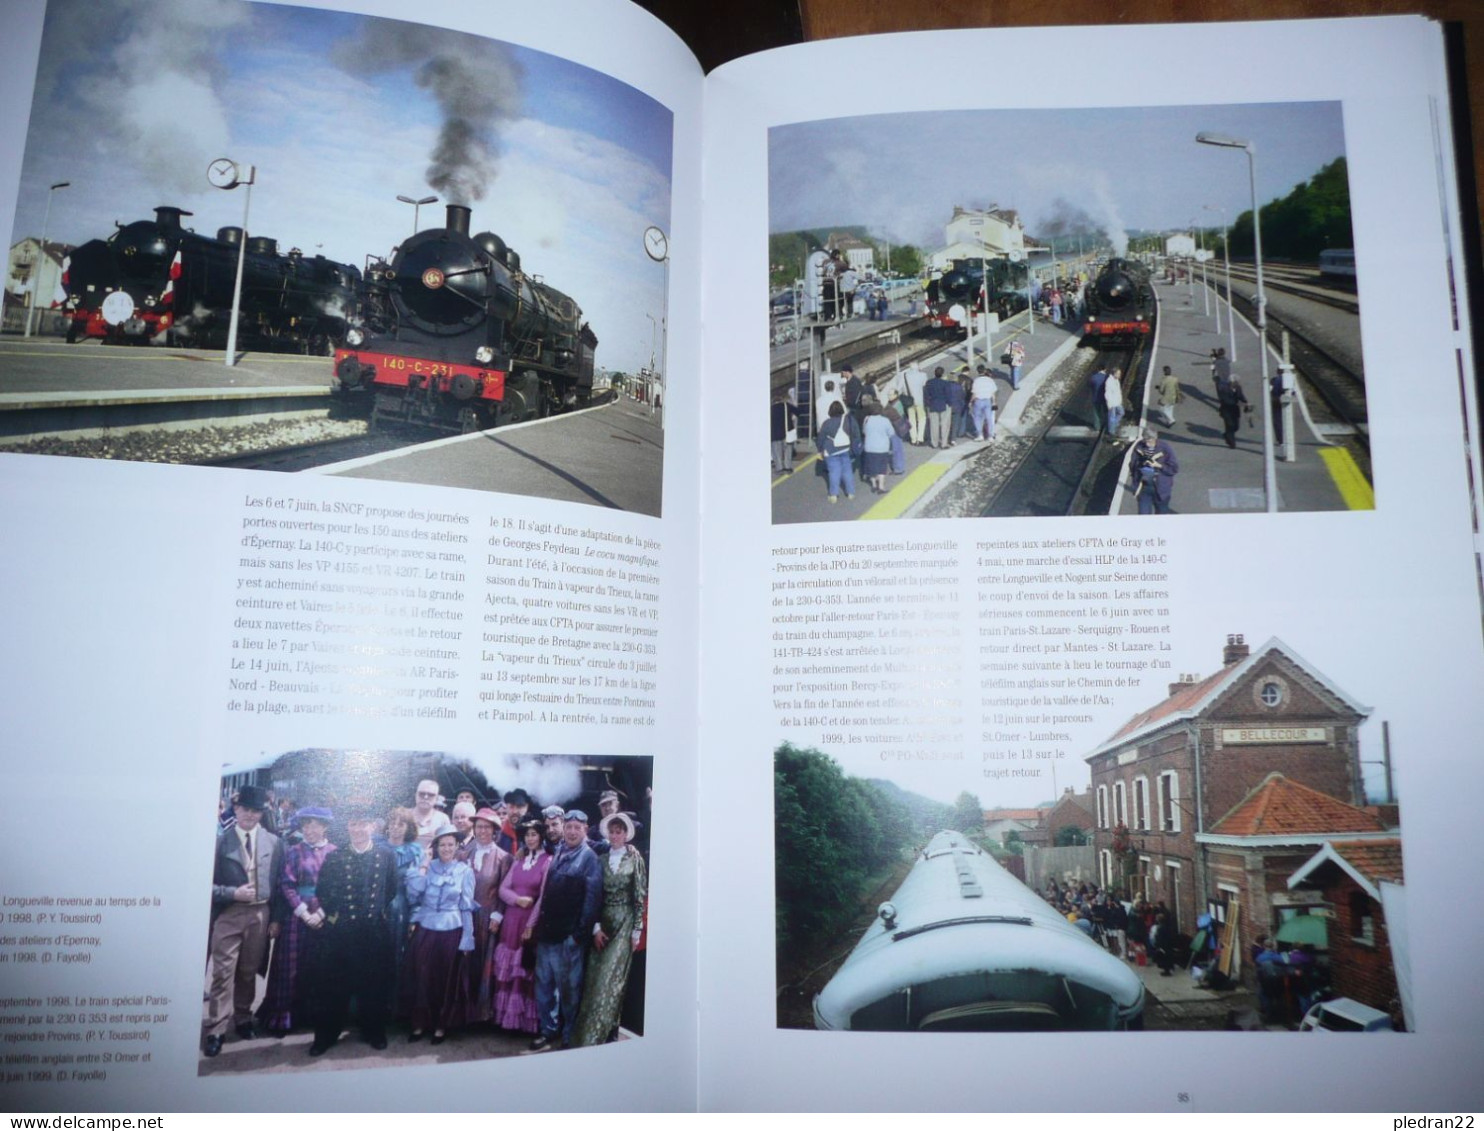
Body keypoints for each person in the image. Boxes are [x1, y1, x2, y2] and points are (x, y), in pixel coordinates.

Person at [309, 808, 400, 1055]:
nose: (358, 829)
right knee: (333, 987)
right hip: (343, 931)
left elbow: (391, 888)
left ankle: (374, 1031)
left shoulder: (386, 856)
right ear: (347, 827)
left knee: (374, 984)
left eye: (363, 824)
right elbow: (323, 891)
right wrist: (336, 917)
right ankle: (326, 1035)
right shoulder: (336, 858)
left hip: (373, 930)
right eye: (353, 824)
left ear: (372, 826)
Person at [204, 785, 283, 1058]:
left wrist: (276, 918)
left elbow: (280, 883)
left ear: (262, 813)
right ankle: (216, 1028)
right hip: (229, 914)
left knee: (249, 971)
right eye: (245, 809)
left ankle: (243, 1018)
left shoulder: (274, 842)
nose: (250, 815)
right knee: (222, 974)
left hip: (260, 915)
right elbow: (204, 886)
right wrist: (231, 893)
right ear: (235, 809)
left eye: (256, 811)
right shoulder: (219, 842)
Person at [257, 806, 336, 1036]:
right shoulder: (293, 851)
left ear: (325, 827)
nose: (309, 830)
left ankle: (312, 1015)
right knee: (289, 967)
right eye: (305, 825)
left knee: (319, 967)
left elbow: (336, 889)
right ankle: (283, 1017)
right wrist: (304, 912)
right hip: (297, 914)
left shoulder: (334, 852)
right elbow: (286, 884)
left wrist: (320, 913)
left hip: (323, 912)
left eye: (315, 825)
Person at [531, 810, 603, 1051]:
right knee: (544, 987)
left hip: (569, 939)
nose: (572, 831)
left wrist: (577, 937)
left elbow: (591, 902)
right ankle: (547, 1030)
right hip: (547, 935)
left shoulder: (590, 858)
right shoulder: (559, 851)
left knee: (569, 990)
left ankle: (568, 1036)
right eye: (569, 826)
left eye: (577, 828)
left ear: (586, 830)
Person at [574, 813, 648, 1046]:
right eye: (612, 831)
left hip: (624, 923)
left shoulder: (635, 859)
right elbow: (595, 896)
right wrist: (595, 927)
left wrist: (637, 930)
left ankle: (606, 1032)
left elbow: (639, 896)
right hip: (604, 923)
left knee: (613, 980)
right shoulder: (602, 859)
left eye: (620, 832)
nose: (615, 835)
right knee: (595, 981)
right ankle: (588, 1036)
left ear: (626, 834)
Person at [403, 826, 476, 1044]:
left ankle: (441, 1025)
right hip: (426, 927)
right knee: (422, 976)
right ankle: (419, 1023)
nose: (446, 848)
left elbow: (466, 906)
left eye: (450, 845)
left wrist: (467, 938)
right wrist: (424, 863)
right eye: (442, 844)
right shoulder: (426, 867)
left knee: (445, 980)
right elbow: (414, 892)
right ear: (435, 847)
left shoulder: (465, 871)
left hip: (451, 929)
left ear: (457, 847)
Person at [486, 820, 552, 1033]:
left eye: (534, 834)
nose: (530, 839)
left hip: (530, 922)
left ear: (541, 836)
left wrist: (531, 924)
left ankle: (525, 1023)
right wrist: (517, 900)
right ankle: (504, 1018)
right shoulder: (518, 860)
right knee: (508, 968)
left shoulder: (547, 861)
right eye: (526, 835)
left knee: (526, 968)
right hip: (511, 920)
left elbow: (543, 897)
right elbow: (503, 889)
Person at [815, 401, 859, 504]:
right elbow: (856, 433)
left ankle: (834, 494)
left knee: (834, 472)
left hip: (831, 450)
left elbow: (821, 438)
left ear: (830, 411)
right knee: (847, 471)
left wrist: (820, 449)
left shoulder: (827, 423)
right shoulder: (849, 420)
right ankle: (851, 493)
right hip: (845, 448)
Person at [1130, 428, 1179, 515]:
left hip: (1161, 489)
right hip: (1144, 487)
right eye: (1145, 440)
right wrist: (1141, 465)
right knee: (1143, 516)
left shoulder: (1165, 448)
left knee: (1161, 516)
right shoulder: (1139, 446)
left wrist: (1159, 465)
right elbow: (1132, 465)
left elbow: (1174, 469)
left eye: (1149, 440)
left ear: (1155, 438)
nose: (1146, 443)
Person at [860, 404, 893, 494]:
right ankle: (881, 487)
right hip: (882, 448)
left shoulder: (867, 420)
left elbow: (864, 431)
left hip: (869, 447)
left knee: (871, 467)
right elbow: (891, 433)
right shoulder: (885, 420)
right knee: (882, 467)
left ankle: (874, 484)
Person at [1216, 371, 1249, 448]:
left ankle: (1227, 435)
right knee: (1229, 425)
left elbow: (1241, 396)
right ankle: (1232, 443)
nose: (1237, 383)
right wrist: (1237, 403)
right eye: (1236, 382)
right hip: (1226, 410)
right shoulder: (1224, 389)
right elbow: (1224, 400)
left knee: (1236, 426)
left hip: (1235, 410)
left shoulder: (1238, 388)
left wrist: (1245, 402)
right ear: (1231, 382)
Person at [923, 366, 953, 449]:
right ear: (942, 374)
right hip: (944, 405)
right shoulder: (945, 383)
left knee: (933, 425)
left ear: (934, 373)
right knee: (945, 425)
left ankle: (934, 443)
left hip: (933, 405)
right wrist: (950, 404)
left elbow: (926, 395)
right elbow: (948, 395)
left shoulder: (929, 382)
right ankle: (944, 443)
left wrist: (927, 404)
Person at [411, 779, 445, 850]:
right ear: (415, 795)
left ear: (436, 798)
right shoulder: (404, 816)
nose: (425, 797)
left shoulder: (443, 819)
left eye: (431, 795)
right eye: (422, 794)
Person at [770, 393, 797, 474]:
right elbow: (798, 412)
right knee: (788, 450)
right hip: (787, 431)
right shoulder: (786, 406)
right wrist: (791, 418)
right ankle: (788, 467)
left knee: (776, 451)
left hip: (774, 433)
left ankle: (779, 468)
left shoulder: (770, 409)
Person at [902, 363, 927, 444]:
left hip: (909, 401)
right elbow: (924, 385)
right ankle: (920, 438)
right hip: (919, 401)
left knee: (911, 420)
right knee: (922, 419)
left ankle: (913, 439)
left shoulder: (905, 376)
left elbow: (902, 388)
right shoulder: (923, 375)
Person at [970, 365, 996, 441]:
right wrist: (994, 402)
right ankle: (990, 436)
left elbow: (974, 394)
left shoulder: (976, 381)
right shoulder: (990, 380)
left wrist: (970, 401)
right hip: (988, 401)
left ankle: (980, 435)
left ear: (977, 371)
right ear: (984, 371)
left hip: (978, 401)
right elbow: (993, 393)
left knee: (977, 418)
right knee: (989, 419)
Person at [1104, 368, 1125, 437]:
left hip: (1117, 402)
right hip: (1112, 403)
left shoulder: (1116, 380)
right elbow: (1107, 394)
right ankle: (1111, 431)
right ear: (1114, 373)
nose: (1119, 375)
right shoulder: (1109, 381)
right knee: (1111, 417)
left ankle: (1114, 424)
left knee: (1121, 413)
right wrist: (1110, 404)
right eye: (1118, 373)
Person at [1088, 366, 1109, 432]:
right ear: (1105, 369)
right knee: (1106, 412)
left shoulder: (1093, 377)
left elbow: (1090, 386)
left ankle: (1097, 427)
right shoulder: (1107, 377)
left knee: (1096, 413)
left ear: (1097, 369)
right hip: (1106, 398)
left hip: (1096, 398)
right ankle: (1106, 426)